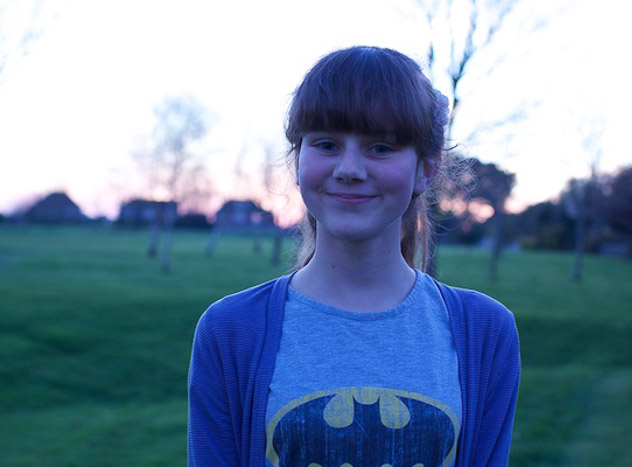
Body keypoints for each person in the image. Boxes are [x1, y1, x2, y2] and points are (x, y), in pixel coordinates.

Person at [188, 46, 520, 466]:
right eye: (326, 144)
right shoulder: (230, 330)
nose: (349, 168)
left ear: (427, 169)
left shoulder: (484, 332)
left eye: (380, 148)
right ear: (298, 160)